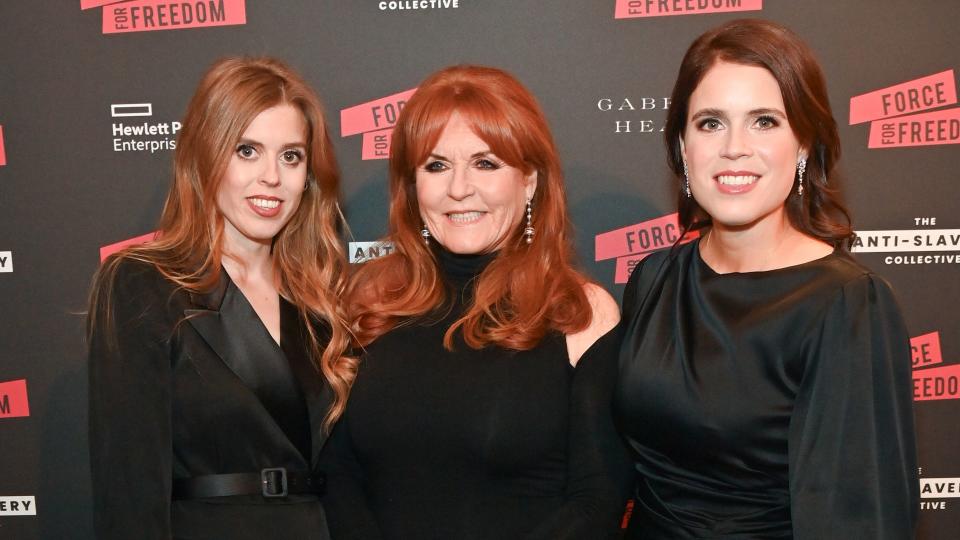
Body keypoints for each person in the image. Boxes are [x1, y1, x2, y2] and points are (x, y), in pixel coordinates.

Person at [615, 19, 918, 539]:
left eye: (764, 122)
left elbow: (858, 517)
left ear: (803, 145)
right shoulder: (654, 278)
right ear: (683, 147)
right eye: (710, 123)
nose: (734, 147)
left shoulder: (845, 304)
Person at [321, 65, 632, 540]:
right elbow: (338, 476)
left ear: (529, 181)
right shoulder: (367, 303)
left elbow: (597, 499)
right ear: (412, 186)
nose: (459, 188)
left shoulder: (579, 313)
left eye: (486, 164)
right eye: (436, 165)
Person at [87, 57, 354, 540]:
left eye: (291, 156)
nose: (272, 177)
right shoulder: (142, 284)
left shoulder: (321, 298)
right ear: (206, 157)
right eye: (247, 150)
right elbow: (128, 486)